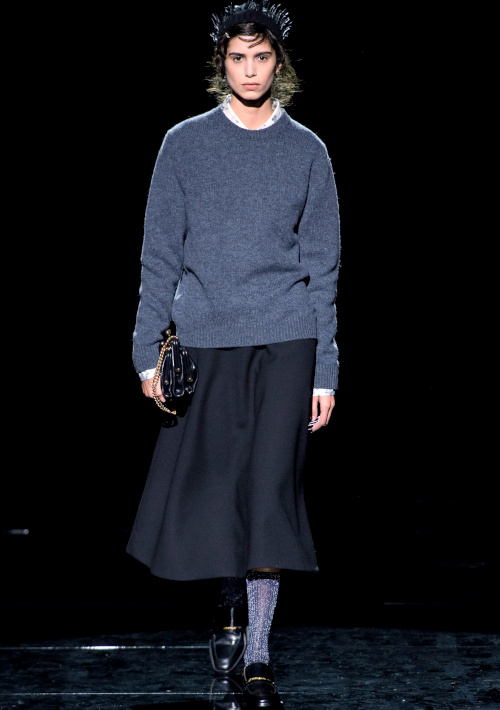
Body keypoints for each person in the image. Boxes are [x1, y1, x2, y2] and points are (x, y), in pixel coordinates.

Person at [126, 1, 340, 707]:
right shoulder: (184, 144)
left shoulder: (307, 151)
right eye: (239, 57)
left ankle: (258, 654)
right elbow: (159, 254)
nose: (251, 70)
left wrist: (326, 368)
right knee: (218, 493)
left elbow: (324, 269)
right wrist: (146, 352)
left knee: (270, 493)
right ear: (222, 62)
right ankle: (227, 605)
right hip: (207, 336)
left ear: (280, 63)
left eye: (263, 57)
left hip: (286, 337)